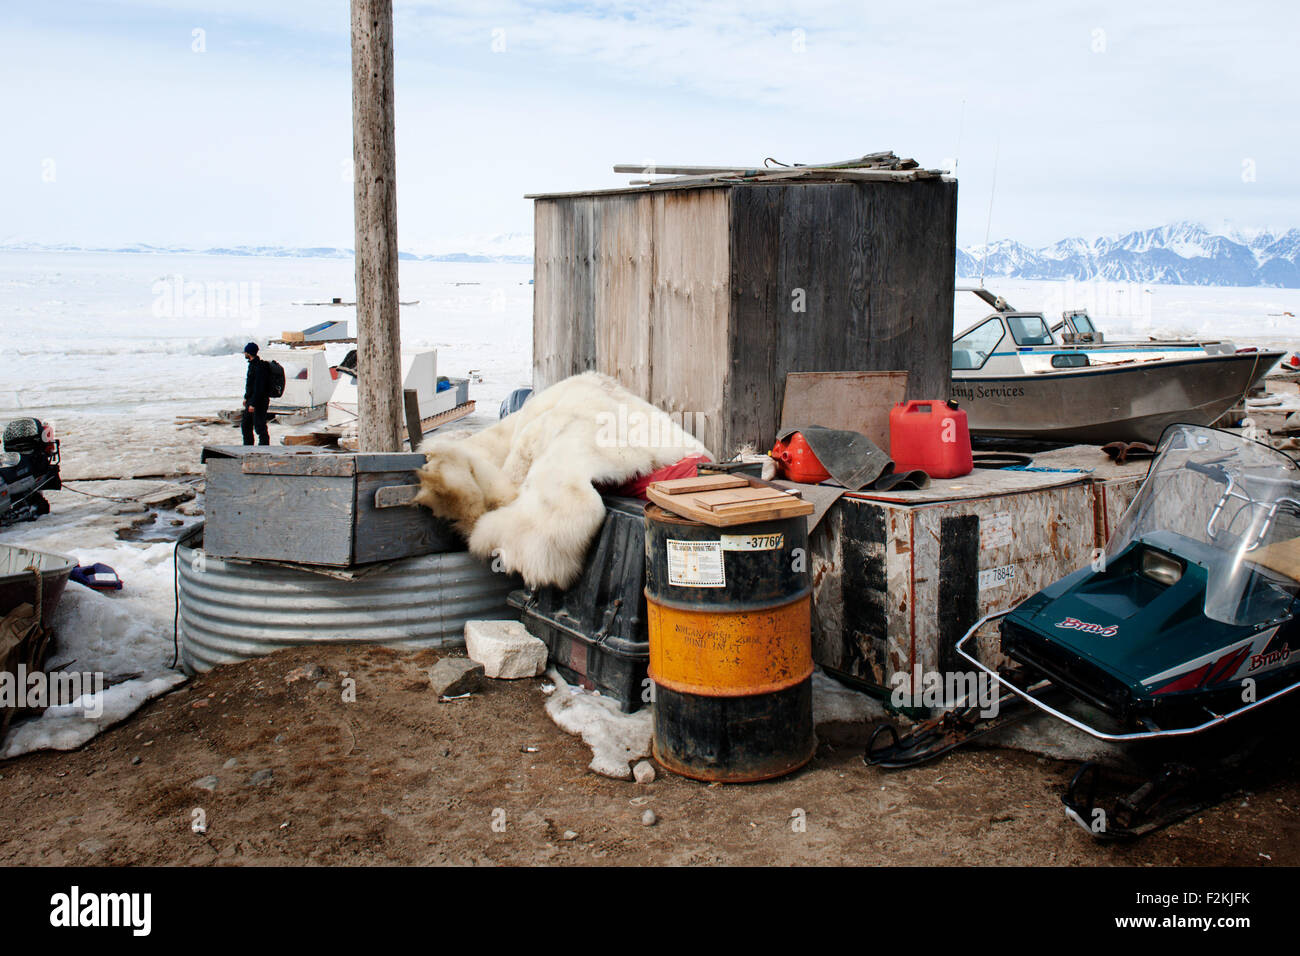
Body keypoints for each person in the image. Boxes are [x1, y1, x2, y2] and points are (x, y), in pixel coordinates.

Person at [241, 342, 270, 445]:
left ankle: (264, 449)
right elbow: (250, 385)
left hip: (259, 402)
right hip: (251, 400)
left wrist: (253, 403)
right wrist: (246, 398)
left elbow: (259, 388)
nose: (244, 353)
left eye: (245, 351)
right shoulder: (252, 365)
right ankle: (248, 447)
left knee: (260, 427)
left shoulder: (259, 367)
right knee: (245, 425)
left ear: (249, 353)